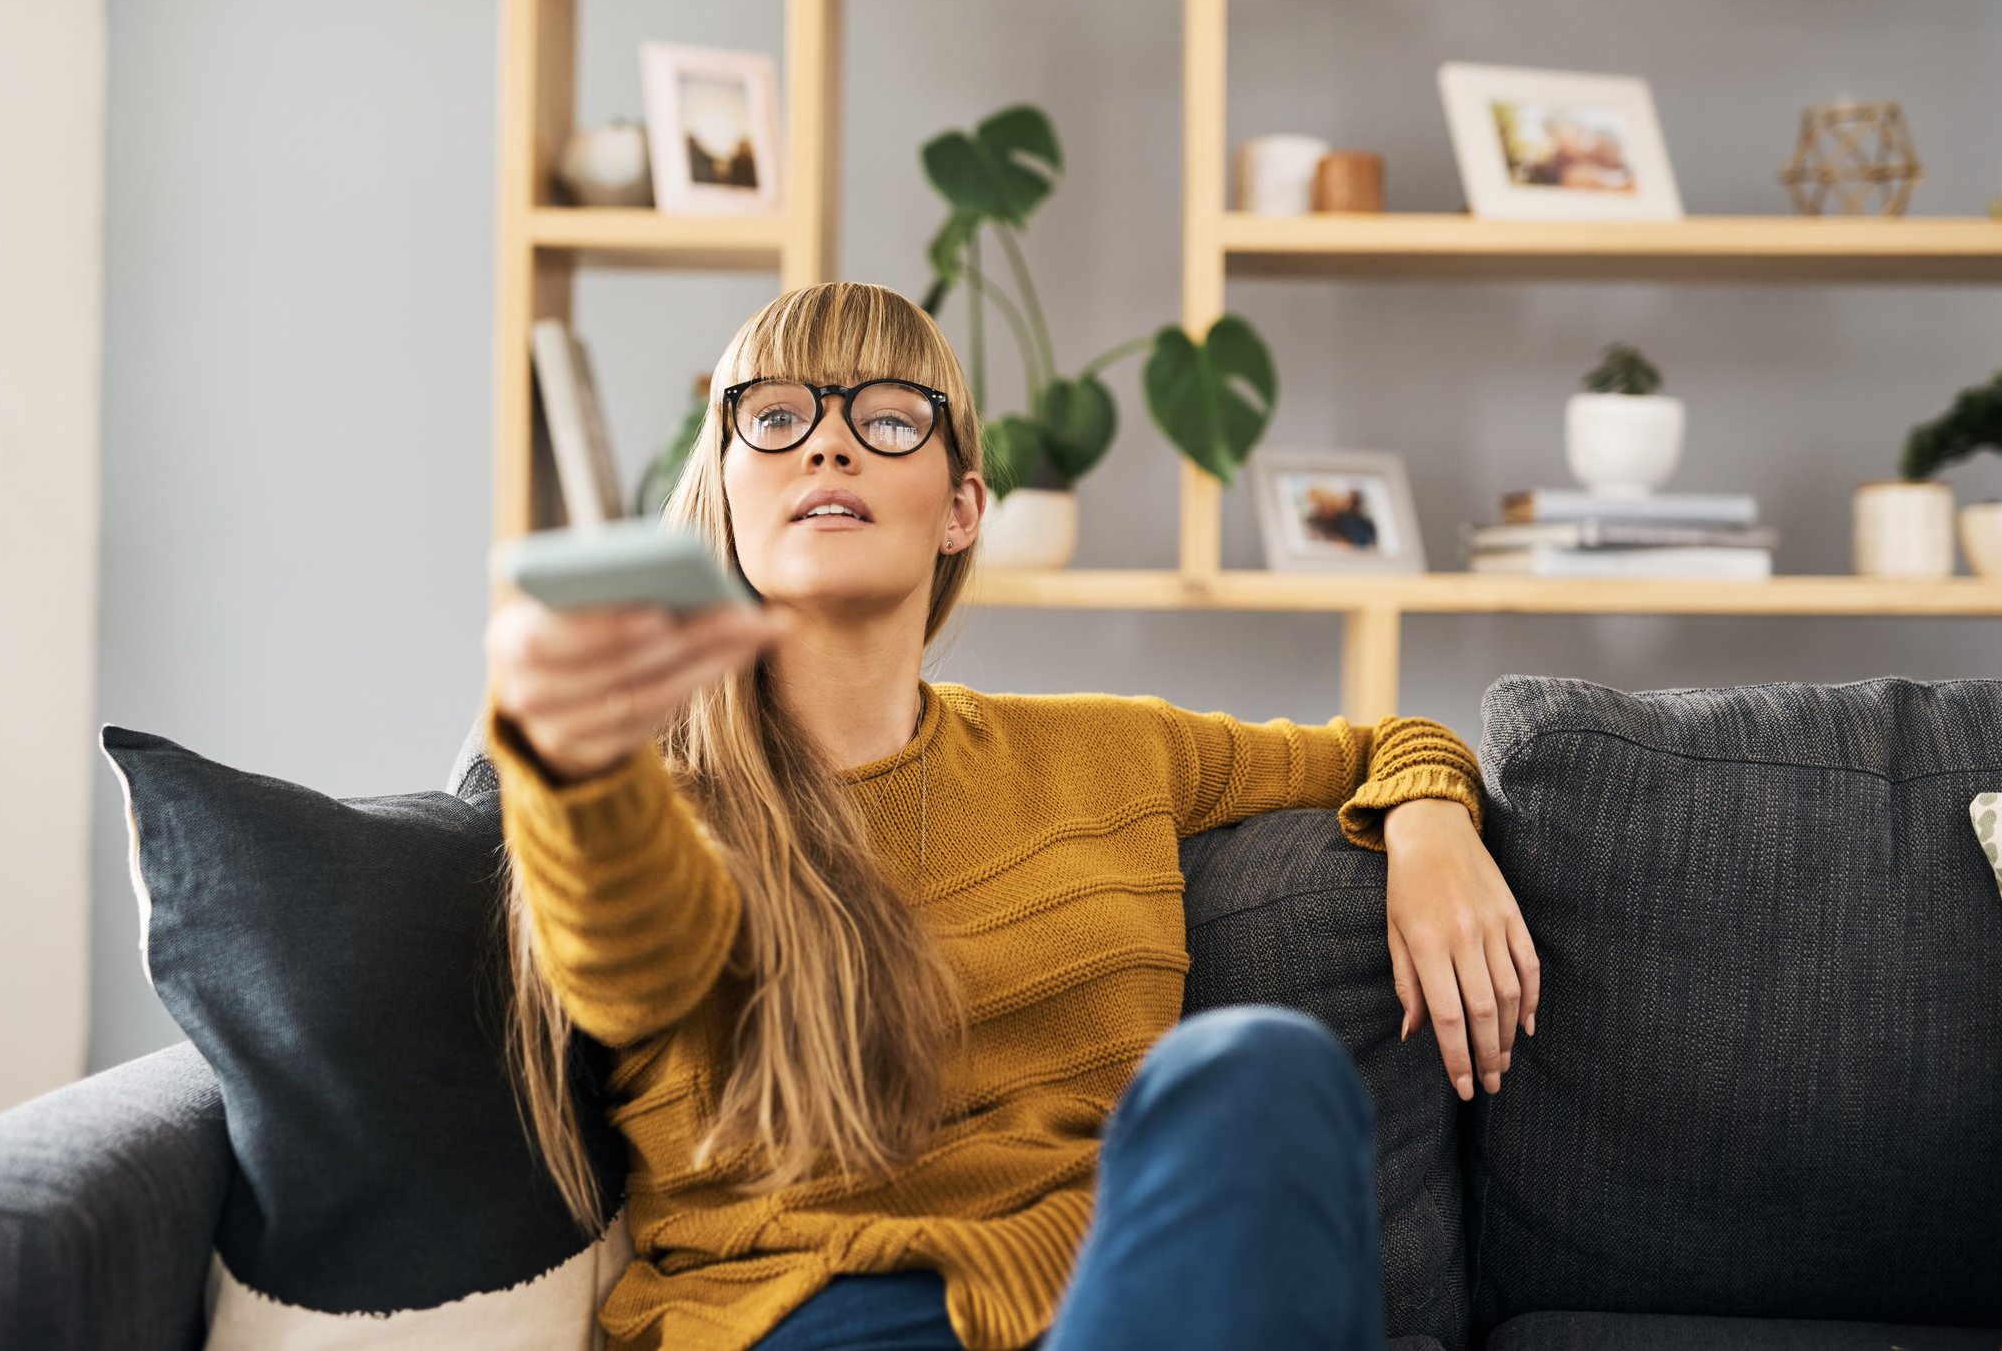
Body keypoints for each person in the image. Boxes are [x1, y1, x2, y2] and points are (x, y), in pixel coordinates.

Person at [478, 281, 1540, 1351]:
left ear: (962, 509)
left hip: (1110, 1306)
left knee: (1263, 1068)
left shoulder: (1108, 750)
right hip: (806, 1319)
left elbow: (1387, 742)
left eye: (888, 418)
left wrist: (1432, 821)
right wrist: (576, 769)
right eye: (776, 415)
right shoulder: (653, 797)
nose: (828, 447)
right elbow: (630, 963)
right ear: (723, 485)